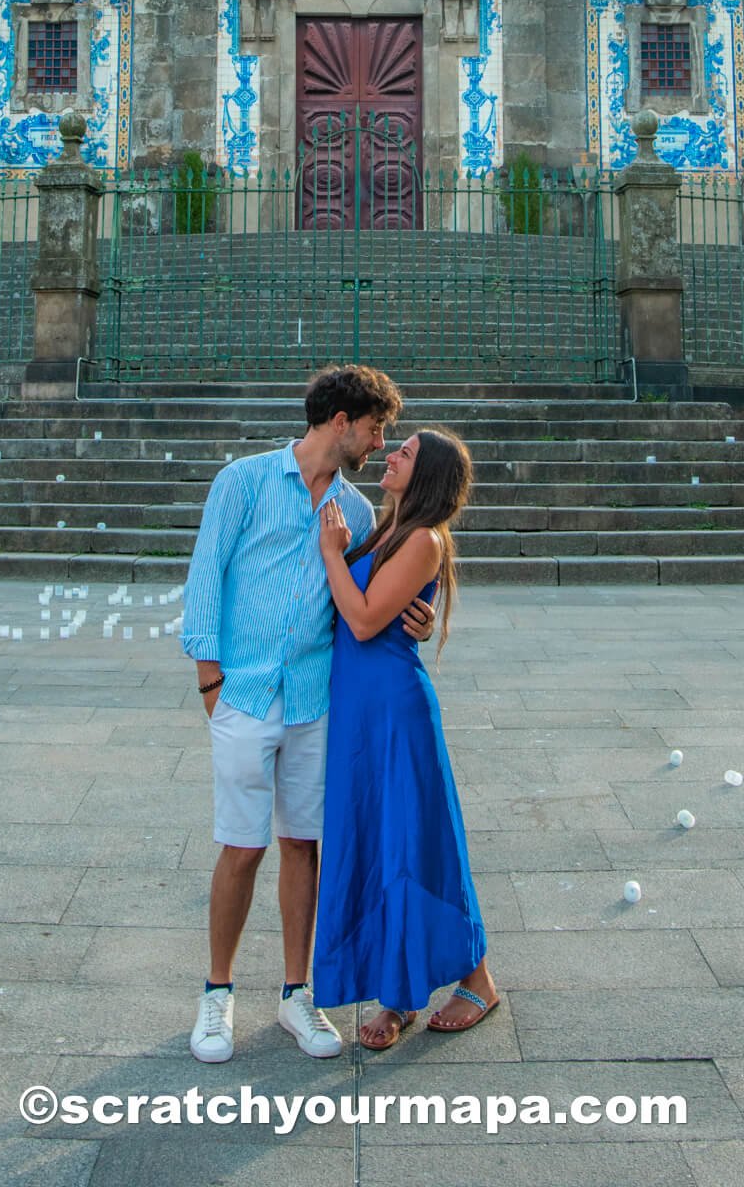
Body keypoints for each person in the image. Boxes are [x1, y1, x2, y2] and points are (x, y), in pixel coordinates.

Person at [180, 364, 434, 1064]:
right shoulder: (243, 481)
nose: (380, 442)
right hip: (243, 694)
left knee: (302, 846)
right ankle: (217, 993)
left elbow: (373, 592)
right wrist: (209, 681)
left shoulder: (355, 513)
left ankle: (298, 994)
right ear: (340, 420)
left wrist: (415, 619)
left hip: (314, 701)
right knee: (240, 846)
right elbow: (205, 574)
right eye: (375, 427)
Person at [312, 428, 498, 1049]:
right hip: (361, 712)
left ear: (428, 477)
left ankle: (478, 979)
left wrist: (333, 555)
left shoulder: (422, 539)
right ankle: (399, 994)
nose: (391, 455)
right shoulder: (384, 529)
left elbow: (363, 621)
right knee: (382, 844)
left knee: (419, 844)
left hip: (396, 711)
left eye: (407, 454)